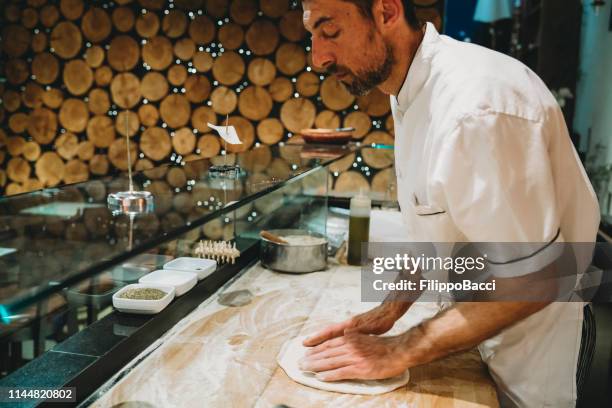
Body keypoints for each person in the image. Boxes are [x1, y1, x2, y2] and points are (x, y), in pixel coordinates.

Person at [300, 0, 600, 407]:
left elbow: (536, 279)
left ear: (386, 12)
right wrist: (392, 309)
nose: (319, 57)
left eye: (330, 31)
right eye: (312, 35)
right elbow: (436, 223)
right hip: (474, 336)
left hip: (530, 354)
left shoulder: (475, 108)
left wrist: (399, 349)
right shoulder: (406, 91)